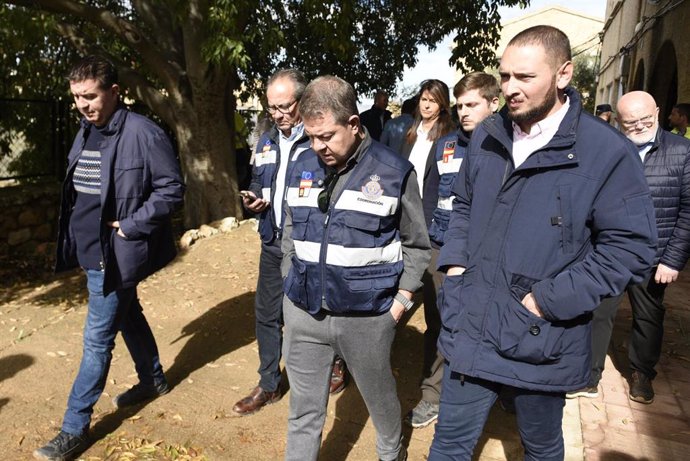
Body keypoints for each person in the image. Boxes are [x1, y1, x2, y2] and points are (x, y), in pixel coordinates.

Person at [428, 26, 657, 460]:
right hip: (471, 324)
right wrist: (456, 267)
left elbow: (631, 247)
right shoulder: (488, 135)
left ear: (564, 74)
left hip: (542, 337)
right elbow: (462, 204)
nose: (511, 88)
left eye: (525, 77)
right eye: (506, 76)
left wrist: (547, 300)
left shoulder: (605, 152)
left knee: (541, 446)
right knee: (449, 445)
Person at [34, 55, 185, 461]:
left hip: (115, 253)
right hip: (88, 252)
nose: (83, 104)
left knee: (96, 340)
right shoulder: (85, 131)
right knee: (128, 312)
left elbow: (171, 190)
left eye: (90, 96)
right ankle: (153, 380)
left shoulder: (143, 133)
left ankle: (73, 427)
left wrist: (133, 225)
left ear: (115, 92)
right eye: (77, 97)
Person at [281, 75, 430, 461]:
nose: (318, 146)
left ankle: (391, 454)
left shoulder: (395, 171)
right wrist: (288, 276)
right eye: (311, 135)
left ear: (354, 124)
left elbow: (417, 245)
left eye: (327, 136)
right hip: (303, 312)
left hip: (367, 318)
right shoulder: (302, 162)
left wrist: (400, 302)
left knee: (380, 404)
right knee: (303, 411)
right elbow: (289, 230)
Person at [236, 69, 348, 415]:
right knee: (266, 314)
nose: (279, 114)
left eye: (285, 106)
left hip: (310, 244)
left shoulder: (319, 137)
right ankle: (269, 383)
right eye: (273, 108)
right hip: (273, 239)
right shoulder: (266, 141)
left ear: (301, 101)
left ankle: (336, 364)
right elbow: (257, 179)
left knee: (320, 306)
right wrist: (253, 198)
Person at [568, 91, 690, 404]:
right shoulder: (607, 148)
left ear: (658, 112)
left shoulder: (683, 151)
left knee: (648, 318)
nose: (638, 127)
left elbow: (688, 211)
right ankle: (589, 375)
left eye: (645, 120)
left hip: (655, 255)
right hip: (608, 252)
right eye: (629, 123)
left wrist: (673, 260)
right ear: (619, 123)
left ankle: (642, 373)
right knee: (597, 313)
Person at [405, 73, 498, 428]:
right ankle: (432, 393)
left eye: (471, 104)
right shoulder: (446, 145)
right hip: (441, 248)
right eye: (460, 105)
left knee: (484, 326)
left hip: (487, 256)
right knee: (440, 322)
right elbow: (430, 196)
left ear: (494, 103)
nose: (464, 112)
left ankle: (489, 392)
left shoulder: (509, 148)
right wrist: (426, 243)